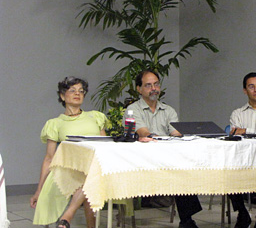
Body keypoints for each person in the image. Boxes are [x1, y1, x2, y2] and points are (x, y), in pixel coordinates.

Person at [123, 70, 202, 228]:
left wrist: (181, 136)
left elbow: (175, 134)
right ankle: (187, 220)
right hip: (142, 160)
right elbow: (144, 133)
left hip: (166, 158)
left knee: (183, 170)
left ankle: (187, 221)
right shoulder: (132, 110)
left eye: (156, 84)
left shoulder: (168, 110)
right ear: (139, 89)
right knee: (178, 171)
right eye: (148, 85)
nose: (153, 88)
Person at [30, 77, 107, 228]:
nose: (77, 93)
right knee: (88, 178)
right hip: (68, 169)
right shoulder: (55, 123)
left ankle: (68, 216)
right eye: (72, 90)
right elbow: (49, 158)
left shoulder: (95, 116)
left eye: (81, 91)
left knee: (91, 174)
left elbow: (105, 147)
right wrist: (38, 189)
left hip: (95, 166)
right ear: (62, 96)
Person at [228, 72, 256, 228]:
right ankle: (242, 212)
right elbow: (234, 132)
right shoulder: (238, 113)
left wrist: (245, 130)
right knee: (227, 176)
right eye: (251, 86)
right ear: (245, 90)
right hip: (244, 160)